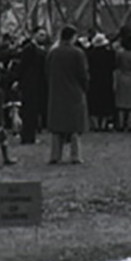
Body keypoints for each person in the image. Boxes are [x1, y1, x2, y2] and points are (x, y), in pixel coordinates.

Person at [46, 25, 89, 164]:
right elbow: (83, 74)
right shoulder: (78, 53)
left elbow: (46, 72)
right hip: (74, 91)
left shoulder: (53, 53)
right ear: (73, 37)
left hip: (56, 91)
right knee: (74, 125)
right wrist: (85, 87)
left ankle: (55, 155)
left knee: (57, 125)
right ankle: (75, 155)